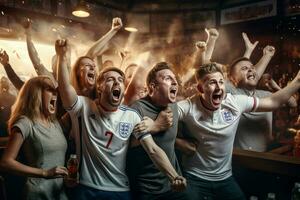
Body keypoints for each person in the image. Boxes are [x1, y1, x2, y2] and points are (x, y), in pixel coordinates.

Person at [56, 39, 186, 200]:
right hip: (87, 188)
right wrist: (62, 57)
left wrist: (174, 176)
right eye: (110, 79)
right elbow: (64, 89)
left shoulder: (131, 115)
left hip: (120, 189)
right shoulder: (83, 107)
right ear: (100, 87)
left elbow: (153, 149)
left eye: (120, 80)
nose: (117, 82)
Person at [177, 63, 300, 200]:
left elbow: (272, 102)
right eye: (212, 82)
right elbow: (156, 116)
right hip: (195, 178)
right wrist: (177, 142)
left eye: (221, 82)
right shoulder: (188, 107)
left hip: (225, 179)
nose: (218, 87)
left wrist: (298, 81)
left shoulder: (234, 102)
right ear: (200, 88)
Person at [127, 62, 191, 200]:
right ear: (153, 87)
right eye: (167, 78)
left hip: (175, 184)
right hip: (149, 189)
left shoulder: (174, 105)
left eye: (174, 78)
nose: (174, 82)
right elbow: (139, 147)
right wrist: (155, 126)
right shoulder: (137, 109)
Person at [0, 76, 68, 200]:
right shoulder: (25, 122)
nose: (55, 94)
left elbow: (77, 108)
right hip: (37, 193)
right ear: (35, 94)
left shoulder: (55, 123)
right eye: (49, 90)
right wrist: (44, 173)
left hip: (59, 192)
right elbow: (5, 162)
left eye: (55, 91)